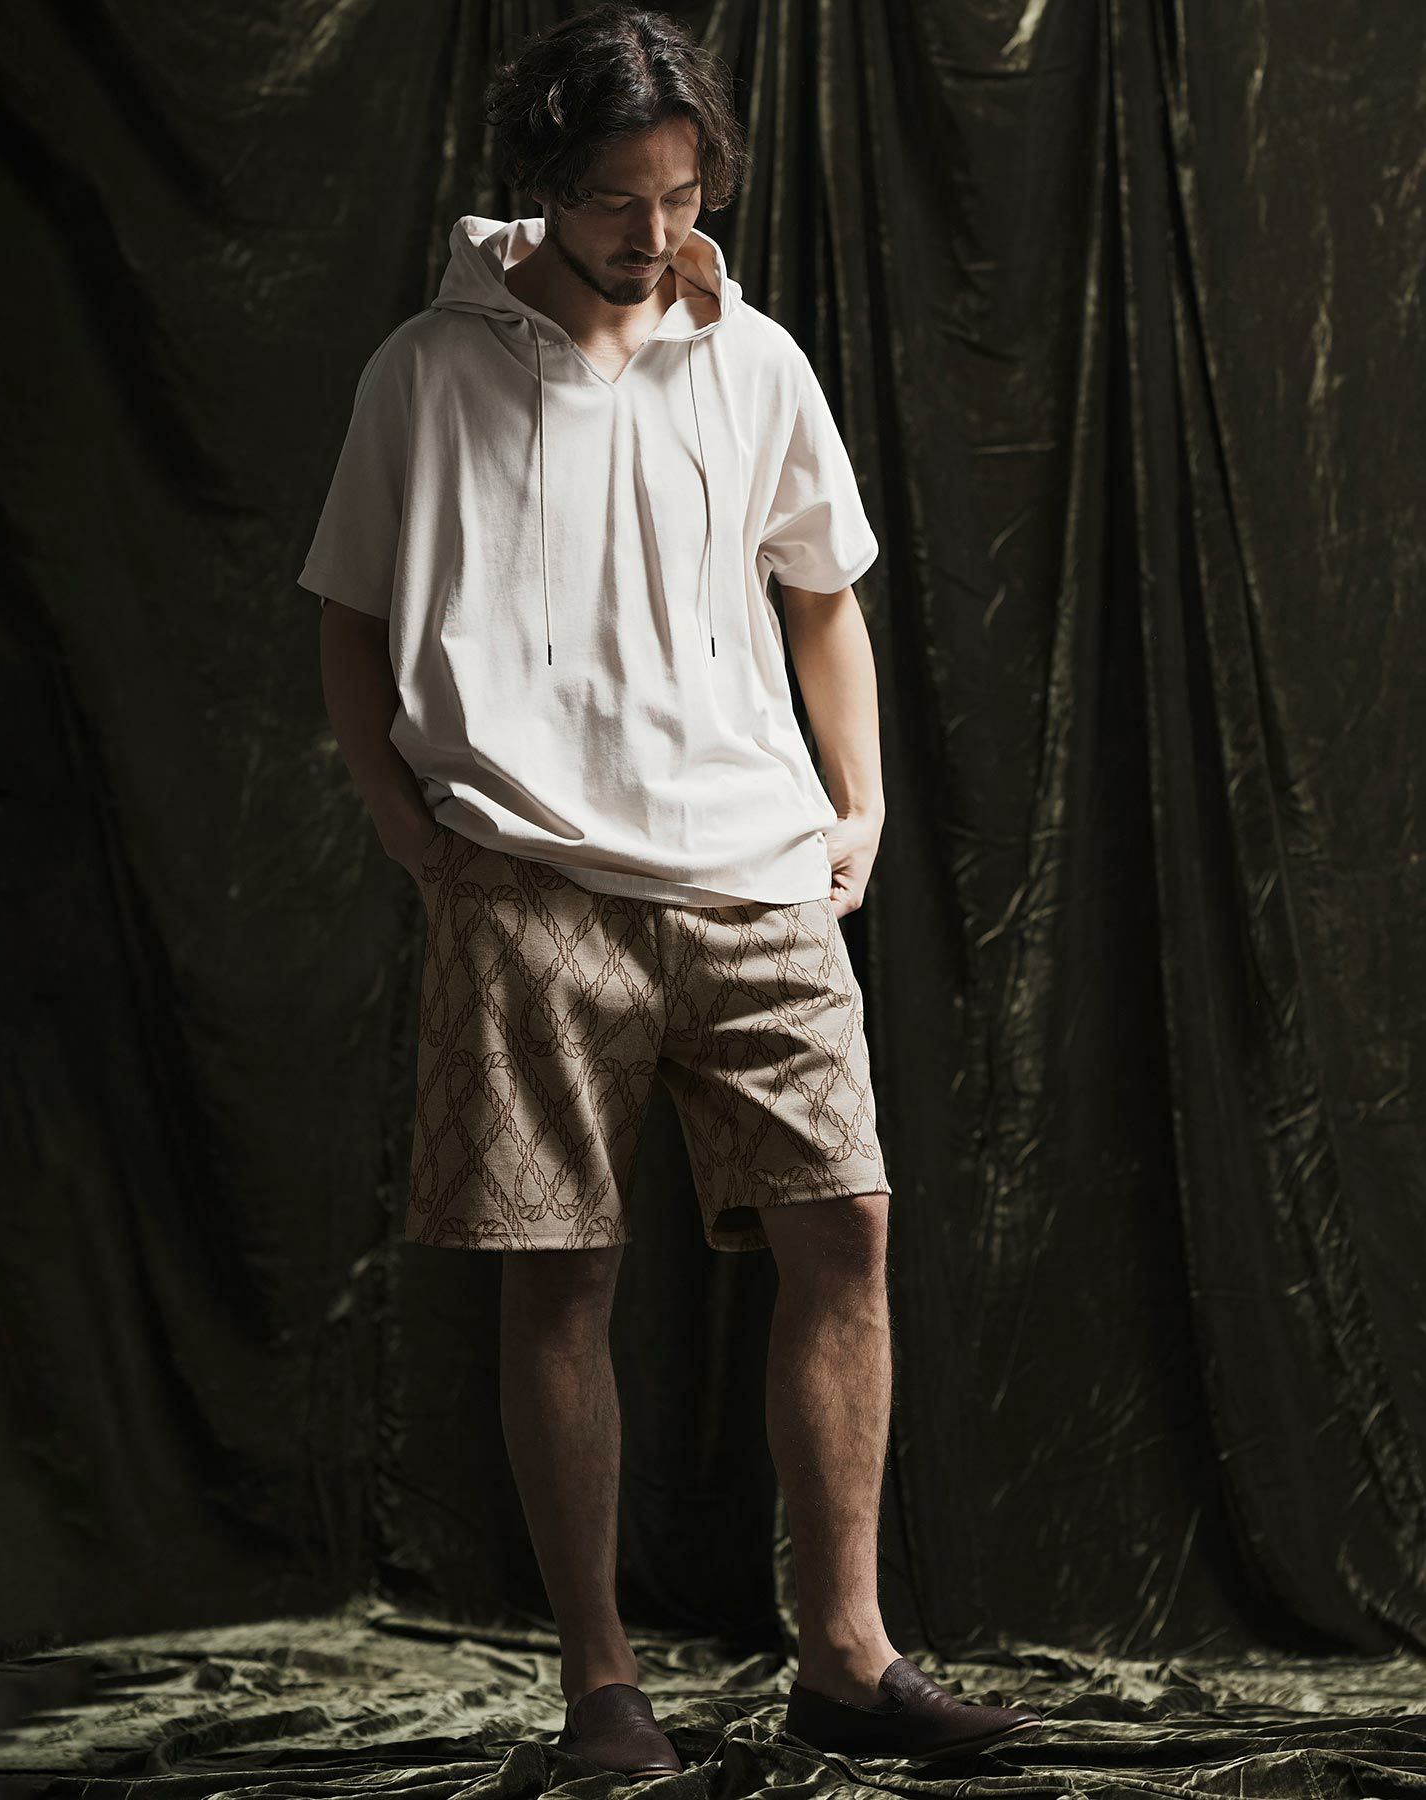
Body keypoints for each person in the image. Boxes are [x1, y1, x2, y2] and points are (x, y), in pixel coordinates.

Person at [297, 1, 1041, 1776]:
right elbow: (348, 618)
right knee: (560, 1276)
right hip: (527, 882)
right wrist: (411, 831)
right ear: (543, 181)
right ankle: (603, 1689)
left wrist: (858, 806)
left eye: (683, 194)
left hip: (753, 876)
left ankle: (845, 1658)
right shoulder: (426, 370)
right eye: (618, 199)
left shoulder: (755, 358)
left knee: (847, 1227)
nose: (654, 233)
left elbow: (822, 597)